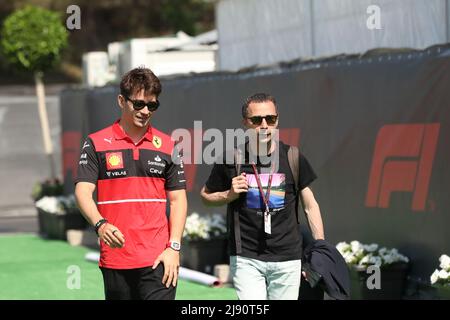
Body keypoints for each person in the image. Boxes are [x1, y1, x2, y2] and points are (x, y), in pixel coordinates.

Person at [74, 67, 187, 300]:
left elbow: (178, 200)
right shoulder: (95, 142)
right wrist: (100, 225)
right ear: (121, 101)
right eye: (138, 104)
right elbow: (83, 192)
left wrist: (173, 248)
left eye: (152, 105)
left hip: (159, 260)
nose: (145, 111)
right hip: (116, 259)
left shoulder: (169, 145)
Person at [200, 93, 325, 300]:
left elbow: (310, 206)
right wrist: (228, 194)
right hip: (246, 258)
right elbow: (206, 196)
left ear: (277, 119)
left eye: (271, 118)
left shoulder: (293, 156)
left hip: (287, 257)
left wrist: (320, 248)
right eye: (256, 120)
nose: (264, 125)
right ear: (245, 123)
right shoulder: (231, 159)